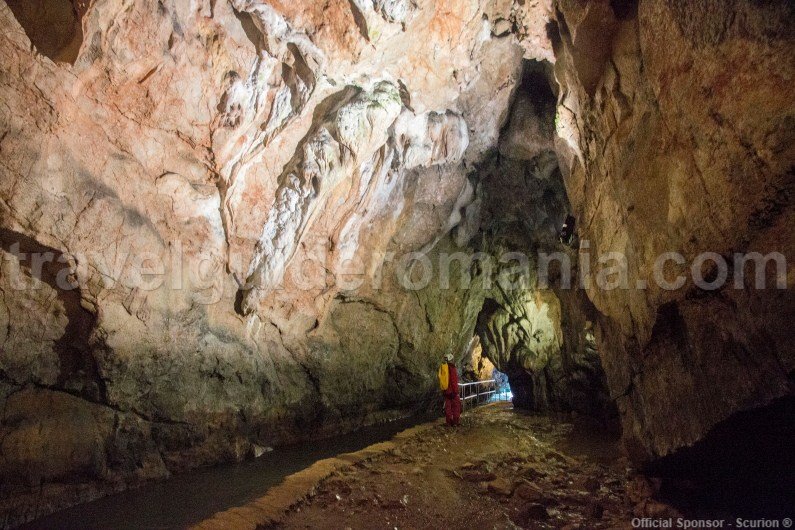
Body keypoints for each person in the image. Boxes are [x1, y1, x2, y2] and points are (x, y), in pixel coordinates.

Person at [438, 353, 461, 426]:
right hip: (452, 391)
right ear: (451, 359)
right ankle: (455, 422)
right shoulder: (452, 368)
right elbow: (453, 380)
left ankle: (448, 422)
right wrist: (456, 391)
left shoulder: (443, 367)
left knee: (448, 407)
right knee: (456, 406)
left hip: (445, 390)